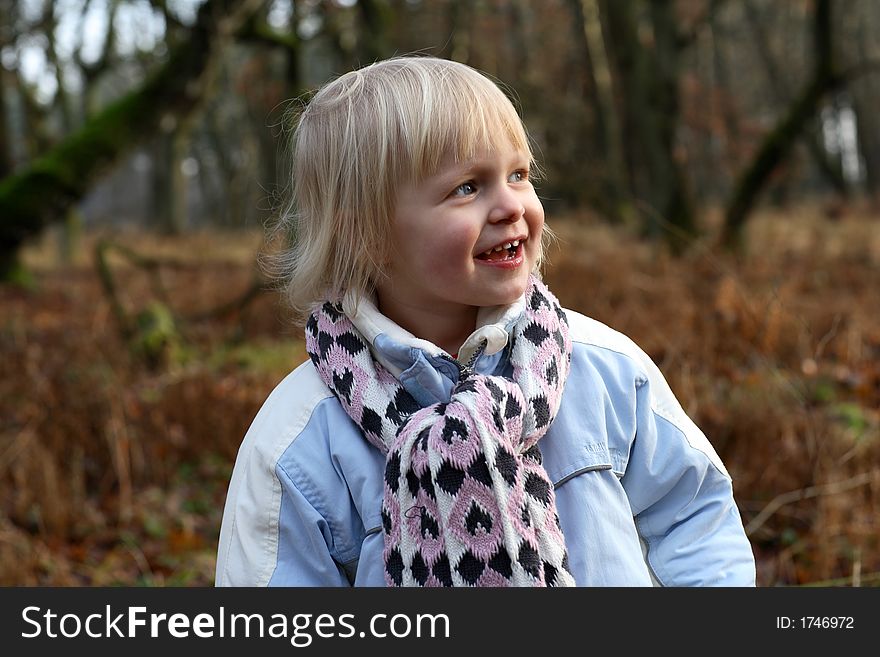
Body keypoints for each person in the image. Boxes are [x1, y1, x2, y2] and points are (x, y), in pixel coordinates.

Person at [214, 55, 756, 587]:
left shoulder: (602, 369)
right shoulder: (303, 439)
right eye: (467, 187)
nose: (510, 206)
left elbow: (694, 516)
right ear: (366, 232)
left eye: (519, 174)